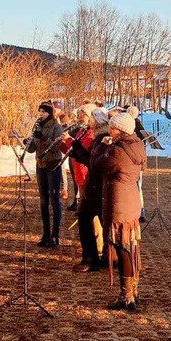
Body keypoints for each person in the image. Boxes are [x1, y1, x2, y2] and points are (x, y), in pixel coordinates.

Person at [95, 112, 146, 311]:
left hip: (118, 201)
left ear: (121, 130)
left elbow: (98, 165)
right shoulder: (138, 145)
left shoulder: (116, 151)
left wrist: (103, 146)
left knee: (122, 248)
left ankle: (126, 297)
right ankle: (133, 291)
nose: (110, 130)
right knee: (130, 248)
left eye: (113, 128)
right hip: (131, 199)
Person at [67, 106, 109, 272]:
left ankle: (92, 258)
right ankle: (99, 257)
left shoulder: (103, 139)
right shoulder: (98, 138)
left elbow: (93, 163)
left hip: (97, 186)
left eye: (91, 119)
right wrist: (75, 148)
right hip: (95, 185)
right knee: (90, 218)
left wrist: (76, 148)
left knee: (86, 218)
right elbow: (88, 159)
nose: (89, 122)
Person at [26, 101, 64, 247]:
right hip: (40, 165)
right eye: (39, 111)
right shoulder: (38, 126)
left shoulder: (56, 126)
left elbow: (57, 148)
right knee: (43, 201)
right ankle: (45, 233)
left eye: (43, 111)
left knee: (54, 200)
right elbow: (32, 149)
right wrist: (28, 142)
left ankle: (55, 235)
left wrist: (43, 138)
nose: (40, 114)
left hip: (52, 165)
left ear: (50, 113)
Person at [125, 105, 146, 222]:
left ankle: (140, 210)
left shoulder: (135, 127)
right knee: (137, 186)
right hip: (135, 160)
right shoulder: (139, 126)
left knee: (137, 186)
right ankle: (139, 209)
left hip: (135, 161)